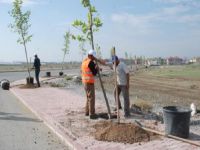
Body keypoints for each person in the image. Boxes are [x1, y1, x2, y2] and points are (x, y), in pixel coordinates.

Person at [81, 49, 104, 119]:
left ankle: (87, 112)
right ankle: (92, 114)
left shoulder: (84, 61)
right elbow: (94, 73)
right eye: (93, 56)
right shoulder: (91, 62)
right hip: (89, 82)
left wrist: (96, 68)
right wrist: (97, 68)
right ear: (91, 56)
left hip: (84, 81)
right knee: (91, 98)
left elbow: (89, 70)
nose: (94, 58)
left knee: (88, 97)